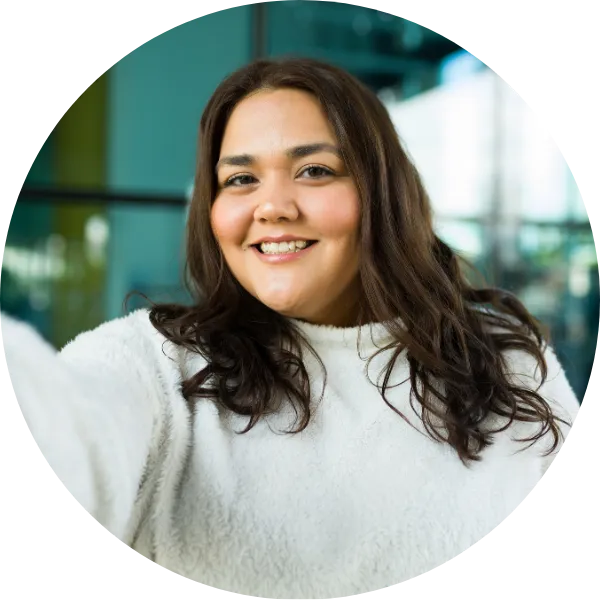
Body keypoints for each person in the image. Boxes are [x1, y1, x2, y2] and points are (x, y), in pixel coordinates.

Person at [2, 57, 583, 599]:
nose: (273, 206)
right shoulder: (154, 364)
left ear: (382, 194)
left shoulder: (507, 364)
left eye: (314, 170)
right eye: (240, 179)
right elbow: (68, 427)